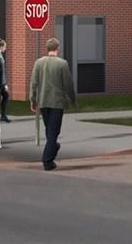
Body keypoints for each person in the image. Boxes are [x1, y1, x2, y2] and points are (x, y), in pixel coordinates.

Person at [29, 37, 76, 171]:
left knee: (50, 130)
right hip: (57, 102)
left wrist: (33, 100)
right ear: (57, 48)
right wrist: (73, 99)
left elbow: (33, 83)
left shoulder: (39, 63)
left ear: (47, 48)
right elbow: (68, 84)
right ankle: (47, 160)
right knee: (53, 132)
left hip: (43, 101)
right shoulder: (62, 64)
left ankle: (54, 147)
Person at [0, 38, 12, 123]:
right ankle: (1, 115)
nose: (5, 48)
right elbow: (1, 71)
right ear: (1, 47)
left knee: (1, 97)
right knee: (0, 97)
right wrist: (4, 83)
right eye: (5, 46)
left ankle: (2, 115)